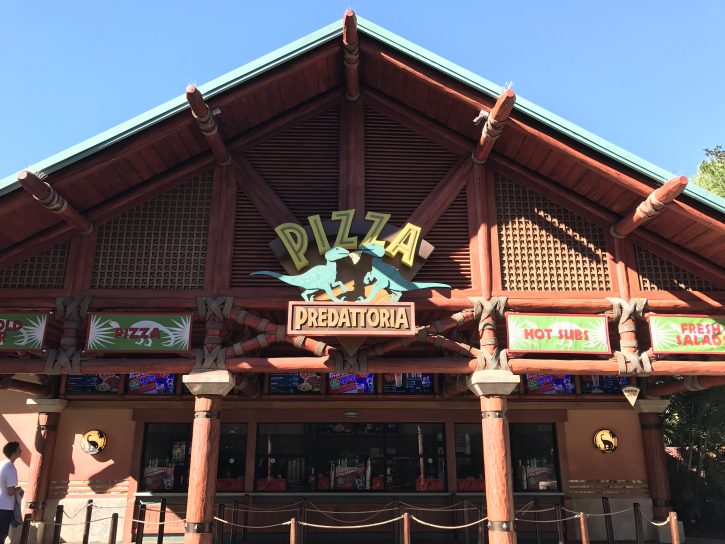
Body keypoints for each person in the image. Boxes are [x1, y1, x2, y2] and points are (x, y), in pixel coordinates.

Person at [0, 442, 22, 543]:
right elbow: (10, 492)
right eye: (19, 449)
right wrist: (19, 489)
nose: (21, 451)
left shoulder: (1, 464)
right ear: (14, 453)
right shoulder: (11, 468)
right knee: (2, 535)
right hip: (5, 507)